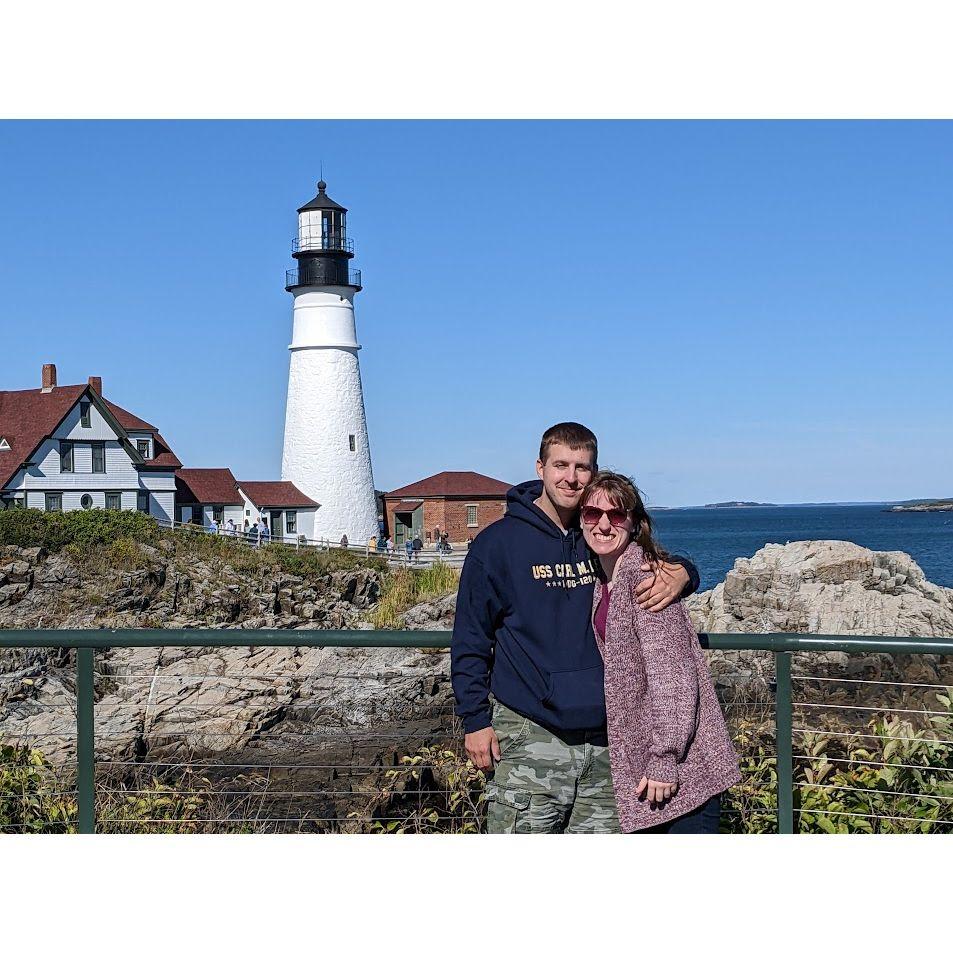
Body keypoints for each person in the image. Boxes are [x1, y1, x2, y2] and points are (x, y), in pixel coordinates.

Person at [451, 422, 699, 833]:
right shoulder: (497, 545)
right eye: (560, 465)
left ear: (594, 471)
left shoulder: (600, 533)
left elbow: (655, 560)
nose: (571, 477)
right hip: (530, 734)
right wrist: (475, 721)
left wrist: (685, 574)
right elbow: (470, 640)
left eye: (582, 467)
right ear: (540, 468)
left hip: (609, 741)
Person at [580, 470, 740, 833]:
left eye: (616, 515)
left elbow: (674, 677)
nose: (603, 524)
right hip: (652, 768)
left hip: (681, 772)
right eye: (592, 514)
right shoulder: (605, 578)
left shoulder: (646, 580)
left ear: (634, 523)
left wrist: (664, 758)